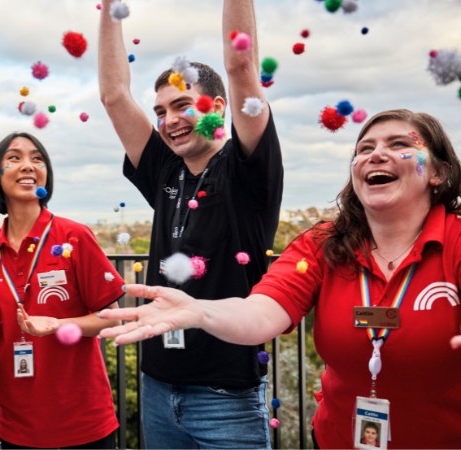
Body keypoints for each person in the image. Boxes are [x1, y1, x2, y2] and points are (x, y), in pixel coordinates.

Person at [99, 109, 461, 448]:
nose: (376, 154)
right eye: (365, 148)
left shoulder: (455, 242)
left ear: (439, 173)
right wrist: (199, 313)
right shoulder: (322, 245)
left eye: (399, 145)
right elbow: (260, 314)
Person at [98, 0, 282, 447]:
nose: (168, 121)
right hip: (158, 386)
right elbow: (114, 95)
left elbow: (240, 65)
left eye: (182, 105)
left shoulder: (247, 168)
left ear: (218, 106)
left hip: (227, 397)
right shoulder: (165, 170)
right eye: (160, 111)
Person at [0, 132, 124, 449]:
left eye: (37, 158)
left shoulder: (74, 236)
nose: (28, 165)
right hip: (18, 425)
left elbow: (111, 318)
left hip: (84, 421)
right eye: (14, 158)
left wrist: (58, 325)